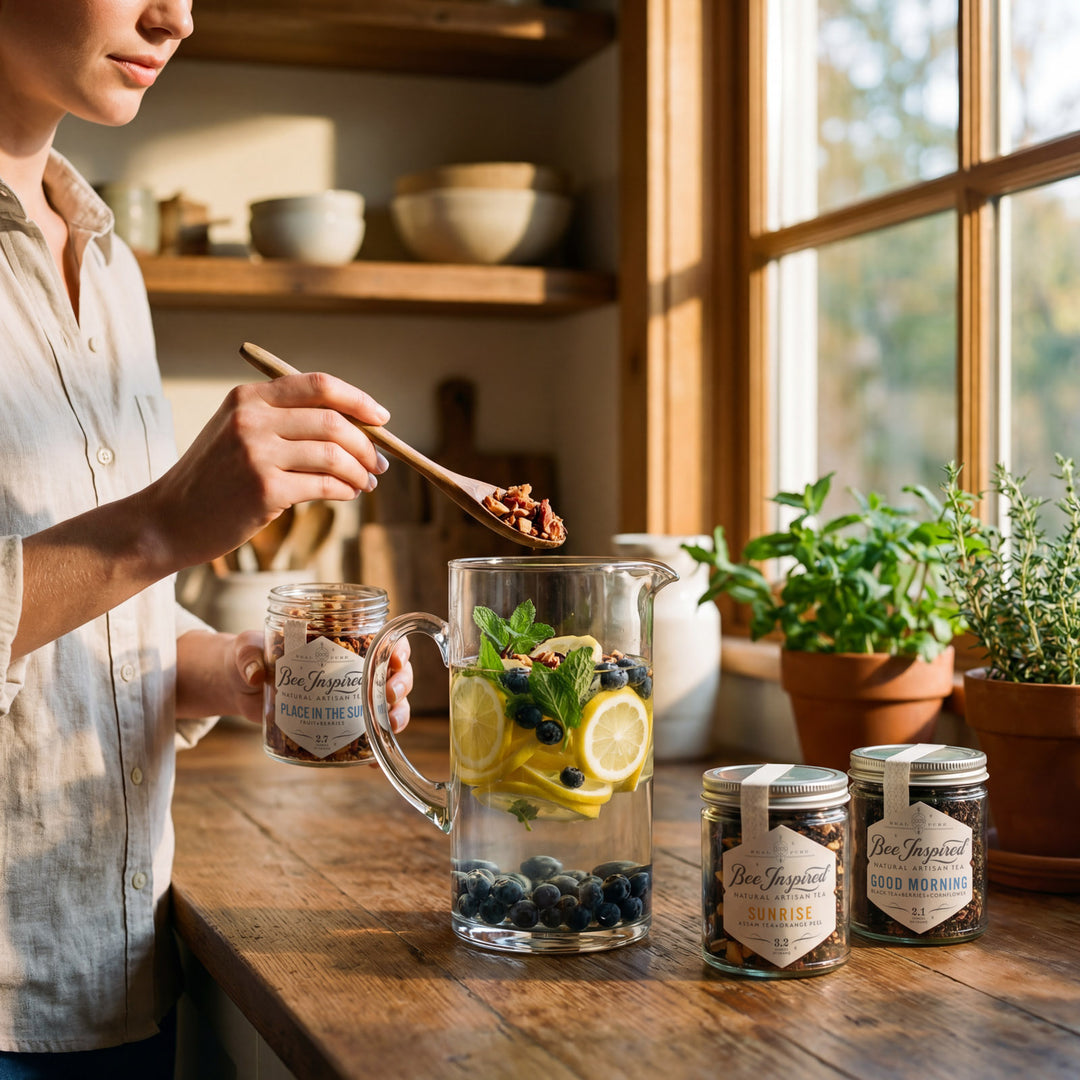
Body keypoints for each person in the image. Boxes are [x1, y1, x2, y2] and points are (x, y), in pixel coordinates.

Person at [0, 1, 413, 1073]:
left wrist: (241, 672)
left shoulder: (109, 261)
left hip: (118, 970)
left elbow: (90, 629)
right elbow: (129, 546)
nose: (175, 15)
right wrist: (164, 521)